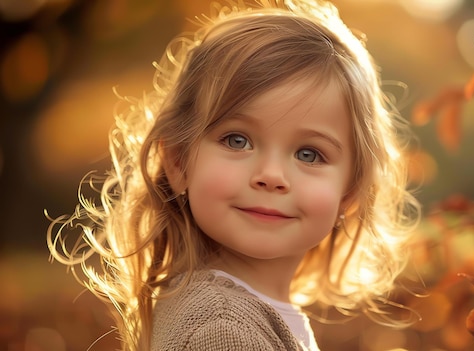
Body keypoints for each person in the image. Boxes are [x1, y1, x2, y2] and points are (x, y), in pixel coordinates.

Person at [47, 0, 420, 349]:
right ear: (178, 162)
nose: (271, 176)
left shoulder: (240, 313)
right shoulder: (223, 329)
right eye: (237, 140)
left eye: (309, 153)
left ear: (350, 192)